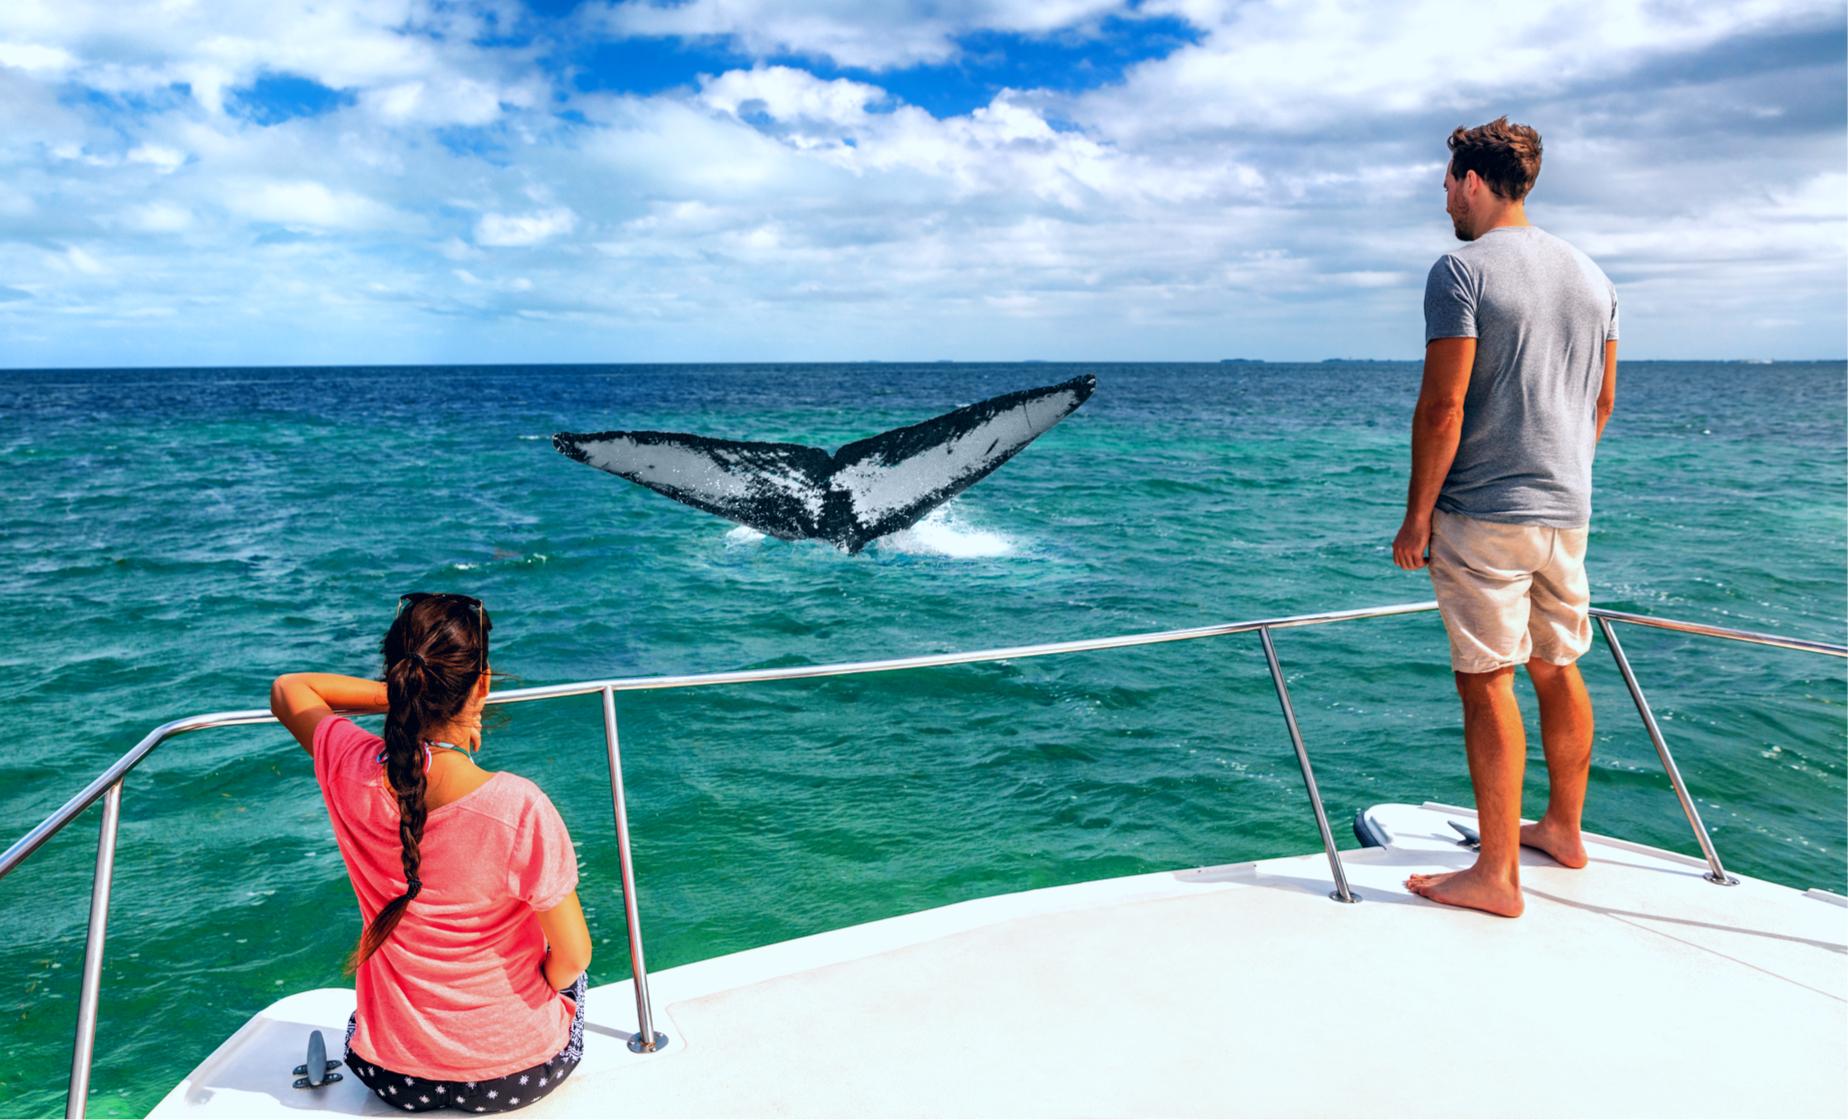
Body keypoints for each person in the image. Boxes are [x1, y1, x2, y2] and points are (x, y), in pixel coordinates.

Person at [1391, 117, 1619, 918]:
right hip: (1569, 509)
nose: (1444, 194)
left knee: (1486, 681)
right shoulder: (1592, 275)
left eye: (1449, 180)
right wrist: (1564, 471)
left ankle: (1495, 877)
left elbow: (1443, 405)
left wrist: (1417, 516)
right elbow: (1601, 400)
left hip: (1485, 512)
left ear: (1476, 182)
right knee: (1558, 667)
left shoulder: (1460, 269)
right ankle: (1563, 829)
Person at [271, 592, 594, 1112]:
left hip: (391, 1074)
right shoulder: (518, 806)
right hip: (519, 1072)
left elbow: (290, 689)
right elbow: (574, 957)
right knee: (569, 966)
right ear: (481, 686)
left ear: (400, 679)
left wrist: (403, 698)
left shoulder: (348, 767)